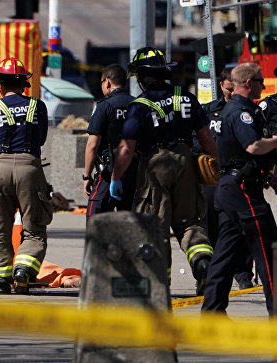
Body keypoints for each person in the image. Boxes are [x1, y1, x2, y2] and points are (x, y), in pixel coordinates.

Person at [109, 47, 218, 295]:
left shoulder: (140, 105)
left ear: (142, 77)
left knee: (153, 226)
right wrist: (215, 162)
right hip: (186, 162)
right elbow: (205, 136)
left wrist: (115, 177)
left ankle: (158, 285)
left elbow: (126, 149)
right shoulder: (187, 98)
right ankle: (203, 266)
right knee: (189, 222)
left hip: (155, 165)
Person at [0, 57, 53, 295]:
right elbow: (41, 138)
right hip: (30, 169)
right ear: (23, 83)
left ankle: (1, 281)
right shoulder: (39, 106)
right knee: (34, 227)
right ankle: (23, 271)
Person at [202, 62, 277, 316]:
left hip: (230, 187)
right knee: (269, 250)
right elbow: (254, 147)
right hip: (243, 190)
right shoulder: (241, 112)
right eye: (259, 81)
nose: (263, 86)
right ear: (248, 83)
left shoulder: (232, 110)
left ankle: (212, 314)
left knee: (224, 254)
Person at [196, 67, 255, 290]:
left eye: (234, 89)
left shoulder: (246, 111)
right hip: (212, 178)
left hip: (237, 177)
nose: (231, 94)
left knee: (240, 226)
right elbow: (197, 139)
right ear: (221, 86)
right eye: (228, 89)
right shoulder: (208, 111)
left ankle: (242, 275)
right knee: (210, 226)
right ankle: (208, 275)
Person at [83, 64, 137, 220]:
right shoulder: (138, 105)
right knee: (129, 221)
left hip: (108, 172)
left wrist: (87, 176)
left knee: (96, 220)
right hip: (134, 172)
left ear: (107, 82)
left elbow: (92, 145)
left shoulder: (104, 107)